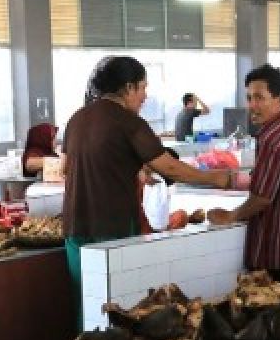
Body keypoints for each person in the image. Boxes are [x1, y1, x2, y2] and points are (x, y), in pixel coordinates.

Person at [62, 56, 235, 320]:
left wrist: (135, 169)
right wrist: (218, 179)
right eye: (143, 87)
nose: (145, 95)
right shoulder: (127, 121)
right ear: (128, 87)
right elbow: (170, 168)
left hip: (74, 225)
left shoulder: (77, 119)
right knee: (118, 305)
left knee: (86, 300)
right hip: (112, 226)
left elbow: (71, 166)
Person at [206, 65, 280, 286]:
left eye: (259, 98)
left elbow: (262, 197)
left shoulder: (272, 138)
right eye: (249, 98)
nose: (252, 106)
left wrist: (232, 216)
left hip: (277, 253)